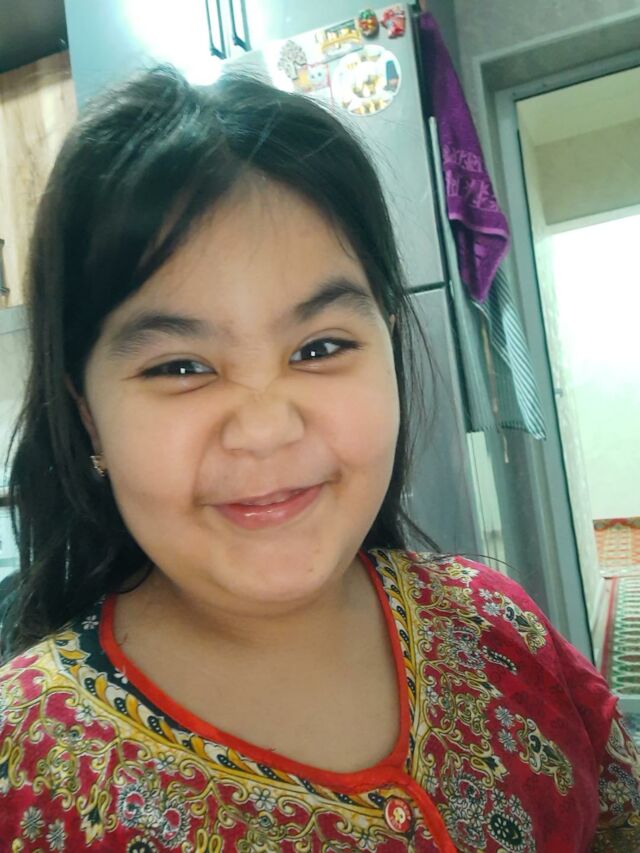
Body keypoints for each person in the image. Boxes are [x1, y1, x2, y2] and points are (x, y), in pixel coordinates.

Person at [0, 66, 637, 853]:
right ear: (88, 415)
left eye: (320, 347)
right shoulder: (23, 764)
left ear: (388, 349)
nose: (266, 429)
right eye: (180, 366)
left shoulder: (497, 623)